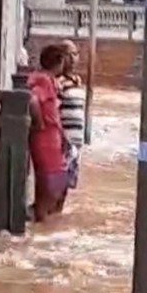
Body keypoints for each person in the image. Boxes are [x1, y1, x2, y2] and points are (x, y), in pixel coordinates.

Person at [27, 44, 69, 222]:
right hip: (45, 139)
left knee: (51, 183)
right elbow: (33, 100)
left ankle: (42, 221)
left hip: (52, 137)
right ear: (59, 63)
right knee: (50, 185)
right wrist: (40, 123)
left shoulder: (48, 80)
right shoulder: (43, 80)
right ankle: (41, 220)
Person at [58, 39, 86, 189]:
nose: (74, 59)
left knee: (68, 185)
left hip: (76, 143)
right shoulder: (58, 83)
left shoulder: (77, 81)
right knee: (57, 188)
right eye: (69, 55)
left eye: (75, 54)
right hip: (63, 143)